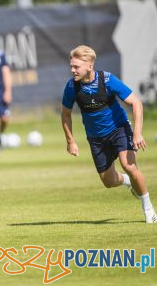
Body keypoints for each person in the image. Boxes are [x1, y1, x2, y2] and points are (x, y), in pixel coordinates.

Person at [61, 45, 156, 224]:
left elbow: (136, 103)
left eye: (76, 67)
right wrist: (70, 141)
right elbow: (65, 114)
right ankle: (127, 182)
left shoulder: (107, 80)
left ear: (89, 66)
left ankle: (148, 208)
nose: (72, 70)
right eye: (71, 66)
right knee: (109, 181)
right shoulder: (71, 86)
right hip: (96, 138)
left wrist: (137, 134)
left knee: (128, 164)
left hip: (119, 129)